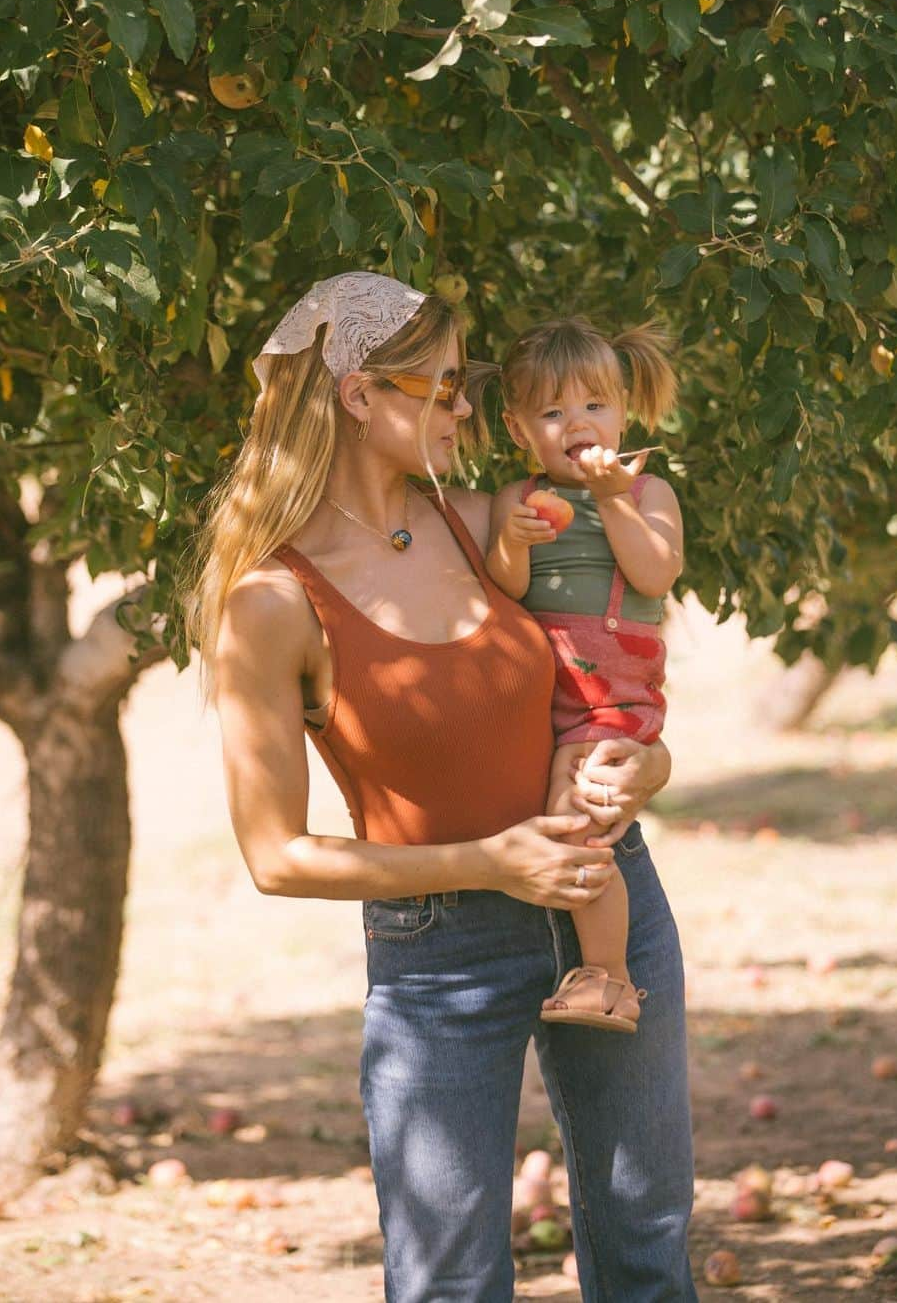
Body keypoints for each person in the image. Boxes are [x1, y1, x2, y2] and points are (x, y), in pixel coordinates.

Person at [182, 271, 698, 1302]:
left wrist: (650, 766)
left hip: (608, 901)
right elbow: (277, 859)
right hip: (441, 953)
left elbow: (611, 672)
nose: (470, 409)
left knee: (645, 1249)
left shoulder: (485, 523)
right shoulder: (274, 602)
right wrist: (488, 863)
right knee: (449, 1279)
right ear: (362, 396)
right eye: (448, 386)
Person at [485, 318, 683, 1036]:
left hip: (610, 687)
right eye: (552, 412)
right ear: (518, 429)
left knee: (581, 818)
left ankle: (610, 977)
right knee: (562, 807)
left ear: (623, 411)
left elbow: (655, 570)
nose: (578, 423)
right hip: (547, 686)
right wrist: (510, 540)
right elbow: (505, 592)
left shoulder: (648, 491)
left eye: (594, 406)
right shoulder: (519, 499)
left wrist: (610, 499)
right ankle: (596, 967)